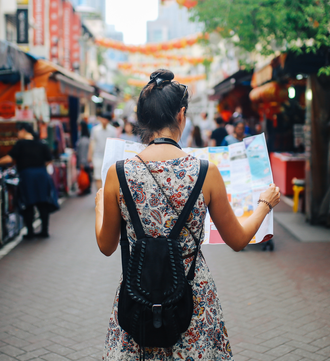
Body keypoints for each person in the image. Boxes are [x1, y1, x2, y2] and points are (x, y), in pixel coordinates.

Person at [95, 69, 281, 360]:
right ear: (181, 115)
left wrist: (99, 208)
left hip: (139, 297)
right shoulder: (206, 173)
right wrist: (264, 204)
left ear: (143, 120)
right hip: (191, 299)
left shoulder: (117, 174)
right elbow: (238, 239)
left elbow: (106, 246)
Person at [0, 123, 59, 239]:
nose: (18, 134)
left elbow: (9, 158)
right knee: (43, 204)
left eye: (19, 131)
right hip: (41, 176)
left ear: (24, 131)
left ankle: (30, 232)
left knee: (28, 203)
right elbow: (49, 160)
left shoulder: (20, 144)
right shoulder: (41, 143)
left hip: (27, 176)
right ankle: (44, 231)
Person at [89, 111, 118, 191]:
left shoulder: (112, 130)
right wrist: (90, 155)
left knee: (107, 177)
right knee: (98, 176)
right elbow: (92, 142)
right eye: (103, 119)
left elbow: (115, 144)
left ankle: (106, 196)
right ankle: (100, 195)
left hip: (109, 157)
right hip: (97, 156)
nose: (104, 121)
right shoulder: (95, 130)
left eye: (106, 119)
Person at [76, 120, 92, 195]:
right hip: (86, 161)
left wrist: (82, 162)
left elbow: (82, 152)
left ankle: (85, 188)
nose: (78, 127)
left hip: (84, 162)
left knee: (85, 176)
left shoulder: (83, 139)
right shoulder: (85, 138)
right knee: (87, 175)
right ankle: (86, 188)